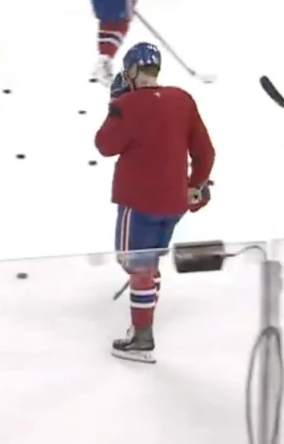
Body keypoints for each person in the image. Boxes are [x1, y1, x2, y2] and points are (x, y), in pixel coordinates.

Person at [95, 42, 215, 362]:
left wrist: (116, 104)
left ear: (132, 71)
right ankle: (146, 299)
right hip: (174, 203)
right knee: (148, 263)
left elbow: (105, 145)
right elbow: (206, 152)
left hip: (138, 202)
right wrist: (196, 185)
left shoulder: (128, 104)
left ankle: (142, 337)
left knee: (133, 262)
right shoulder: (182, 99)